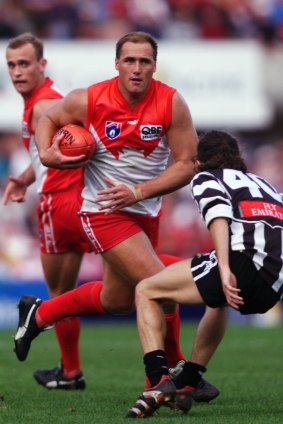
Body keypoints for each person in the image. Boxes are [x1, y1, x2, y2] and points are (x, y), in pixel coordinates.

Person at [13, 32, 227, 404]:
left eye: (144, 61)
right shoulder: (90, 98)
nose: (137, 68)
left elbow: (187, 164)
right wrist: (48, 156)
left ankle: (41, 314)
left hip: (144, 212)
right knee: (161, 286)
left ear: (154, 66)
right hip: (102, 212)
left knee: (117, 300)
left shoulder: (171, 103)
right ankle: (170, 376)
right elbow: (48, 117)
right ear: (116, 63)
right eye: (129, 60)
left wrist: (140, 192)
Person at [124, 130, 283, 418]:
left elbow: (217, 213)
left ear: (199, 161)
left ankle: (158, 379)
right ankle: (188, 381)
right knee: (216, 301)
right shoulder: (264, 184)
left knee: (146, 290)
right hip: (274, 283)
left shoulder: (206, 177)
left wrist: (224, 268)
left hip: (243, 262)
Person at [3, 32, 91, 390]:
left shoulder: (45, 105)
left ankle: (64, 361)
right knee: (136, 284)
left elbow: (82, 142)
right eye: (11, 65)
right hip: (82, 202)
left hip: (60, 203)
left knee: (60, 292)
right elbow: (51, 153)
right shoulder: (40, 104)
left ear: (42, 65)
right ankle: (69, 373)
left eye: (25, 64)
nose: (17, 72)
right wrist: (26, 178)